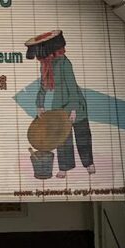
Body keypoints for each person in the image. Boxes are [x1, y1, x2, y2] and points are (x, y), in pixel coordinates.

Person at [25, 29, 96, 178]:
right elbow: (43, 86)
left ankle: (89, 163)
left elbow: (72, 86)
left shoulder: (65, 63)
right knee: (62, 137)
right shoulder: (45, 65)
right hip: (58, 104)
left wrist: (73, 109)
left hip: (75, 102)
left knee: (82, 135)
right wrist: (40, 105)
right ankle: (64, 167)